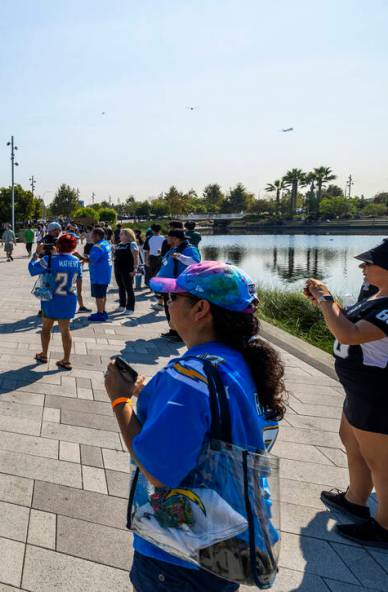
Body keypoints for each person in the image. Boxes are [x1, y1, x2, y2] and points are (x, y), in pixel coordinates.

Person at [105, 261, 286, 592]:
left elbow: (158, 473)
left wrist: (120, 401)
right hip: (233, 535)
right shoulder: (244, 363)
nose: (167, 304)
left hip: (181, 553)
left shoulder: (188, 379)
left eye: (173, 297)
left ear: (201, 309)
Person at [307, 239, 388, 547]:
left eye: (369, 264)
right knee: (351, 440)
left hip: (378, 394)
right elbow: (344, 321)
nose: (362, 268)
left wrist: (327, 299)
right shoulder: (376, 296)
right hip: (358, 389)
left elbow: (349, 333)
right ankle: (356, 499)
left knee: (381, 462)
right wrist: (325, 300)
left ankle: (384, 526)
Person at [29, 234, 81, 369]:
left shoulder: (49, 259)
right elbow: (78, 278)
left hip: (51, 299)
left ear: (58, 245)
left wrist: (36, 253)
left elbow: (32, 269)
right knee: (65, 330)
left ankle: (44, 354)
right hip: (68, 299)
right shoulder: (76, 261)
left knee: (46, 328)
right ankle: (66, 360)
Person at [156, 229, 202, 339]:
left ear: (175, 238)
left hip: (180, 285)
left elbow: (196, 262)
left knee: (179, 310)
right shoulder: (173, 249)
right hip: (169, 285)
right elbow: (165, 264)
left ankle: (181, 335)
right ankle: (173, 331)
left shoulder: (189, 249)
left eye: (168, 237)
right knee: (170, 308)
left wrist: (181, 257)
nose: (166, 239)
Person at [87, 227, 113, 321]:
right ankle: (103, 311)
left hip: (98, 275)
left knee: (99, 296)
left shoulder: (97, 246)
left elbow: (92, 260)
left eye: (92, 235)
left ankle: (100, 313)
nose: (91, 237)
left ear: (97, 236)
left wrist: (80, 256)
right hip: (105, 273)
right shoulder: (106, 243)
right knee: (103, 294)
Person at [113, 228, 141, 314]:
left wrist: (135, 269)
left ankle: (130, 308)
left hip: (128, 269)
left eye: (122, 234)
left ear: (128, 235)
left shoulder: (132, 244)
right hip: (118, 269)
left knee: (129, 288)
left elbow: (136, 257)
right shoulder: (119, 244)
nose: (119, 236)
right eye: (120, 234)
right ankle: (122, 305)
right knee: (121, 288)